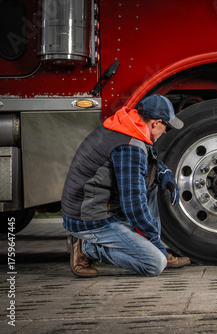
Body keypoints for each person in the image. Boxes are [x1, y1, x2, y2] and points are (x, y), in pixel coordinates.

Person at [61, 94, 191, 278]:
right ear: (155, 123)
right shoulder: (130, 146)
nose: (164, 132)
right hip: (92, 220)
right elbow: (133, 206)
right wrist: (154, 240)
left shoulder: (127, 127)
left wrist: (164, 173)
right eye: (166, 128)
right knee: (155, 264)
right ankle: (87, 248)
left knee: (153, 181)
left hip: (92, 208)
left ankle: (153, 247)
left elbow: (145, 166)